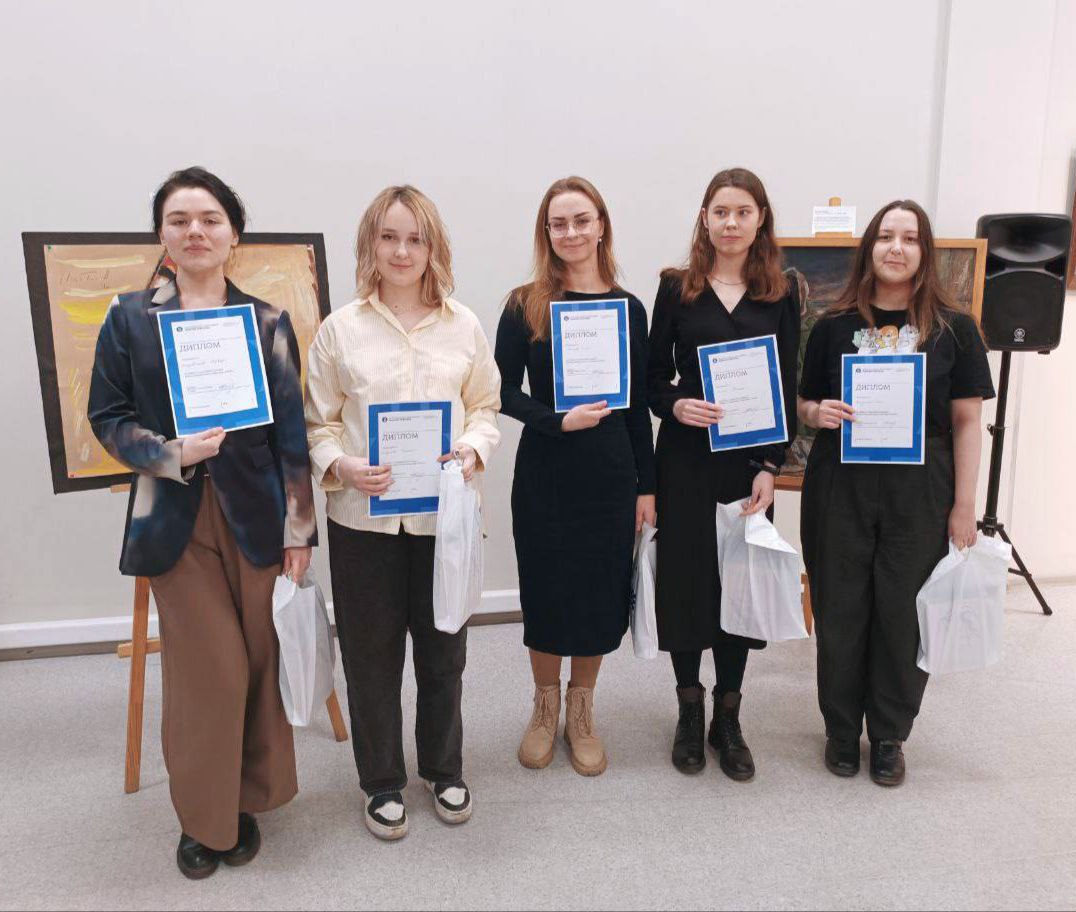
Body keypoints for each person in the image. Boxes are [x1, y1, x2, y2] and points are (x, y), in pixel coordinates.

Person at [87, 166, 316, 879]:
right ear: (161, 234)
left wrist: (300, 531)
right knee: (211, 673)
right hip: (174, 518)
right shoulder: (128, 318)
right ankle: (203, 819)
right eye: (180, 220)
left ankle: (247, 800)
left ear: (233, 234)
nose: (196, 231)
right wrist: (170, 451)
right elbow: (107, 418)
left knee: (258, 662)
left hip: (258, 518)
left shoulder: (267, 322)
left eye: (210, 219)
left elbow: (292, 436)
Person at [304, 185, 500, 841]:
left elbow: (485, 408)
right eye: (389, 237)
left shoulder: (463, 326)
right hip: (363, 523)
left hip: (443, 521)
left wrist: (470, 450)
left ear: (433, 248)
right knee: (371, 659)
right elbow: (317, 423)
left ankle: (444, 768)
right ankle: (382, 780)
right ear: (371, 244)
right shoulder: (340, 330)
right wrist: (341, 466)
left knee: (444, 652)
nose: (401, 251)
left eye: (415, 238)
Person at [798, 199, 995, 787]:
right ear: (869, 247)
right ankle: (840, 728)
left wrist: (965, 505)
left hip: (920, 490)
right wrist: (815, 412)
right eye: (886, 236)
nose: (896, 248)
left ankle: (888, 734)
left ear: (924, 252)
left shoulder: (954, 329)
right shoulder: (834, 326)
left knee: (903, 614)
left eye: (909, 238)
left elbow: (967, 421)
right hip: (841, 485)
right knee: (839, 608)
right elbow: (804, 401)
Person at [495, 176, 655, 777]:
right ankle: (544, 709)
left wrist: (647, 486)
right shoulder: (525, 304)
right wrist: (556, 420)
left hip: (610, 473)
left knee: (598, 591)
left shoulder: (628, 309)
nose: (571, 233)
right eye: (558, 223)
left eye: (581, 220)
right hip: (546, 469)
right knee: (546, 588)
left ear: (601, 225)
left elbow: (637, 407)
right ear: (547, 232)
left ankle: (581, 712)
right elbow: (500, 390)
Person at [647, 167, 799, 781]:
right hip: (685, 459)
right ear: (705, 219)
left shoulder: (781, 292)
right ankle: (689, 708)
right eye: (720, 212)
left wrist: (771, 466)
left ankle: (728, 715)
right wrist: (676, 405)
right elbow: (650, 381)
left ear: (760, 220)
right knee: (686, 584)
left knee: (741, 584)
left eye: (742, 212)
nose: (730, 222)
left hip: (748, 467)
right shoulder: (676, 288)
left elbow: (786, 383)